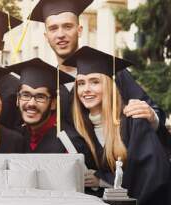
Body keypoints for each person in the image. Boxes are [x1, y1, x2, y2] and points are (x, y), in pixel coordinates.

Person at [30, 0, 170, 149]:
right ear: (46, 36)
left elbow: (153, 114)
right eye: (53, 28)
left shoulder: (113, 72)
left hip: (125, 166)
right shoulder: (49, 86)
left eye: (67, 26)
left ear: (79, 30)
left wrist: (151, 116)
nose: (60, 34)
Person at [64, 46, 170, 205]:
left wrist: (103, 180)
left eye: (95, 82)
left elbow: (151, 175)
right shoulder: (81, 129)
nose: (86, 90)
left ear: (108, 85)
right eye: (81, 83)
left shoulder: (133, 121)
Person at [7, 58, 75, 153]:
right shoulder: (15, 137)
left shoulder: (69, 142)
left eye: (40, 97)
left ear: (53, 103)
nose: (31, 103)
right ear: (17, 99)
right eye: (25, 95)